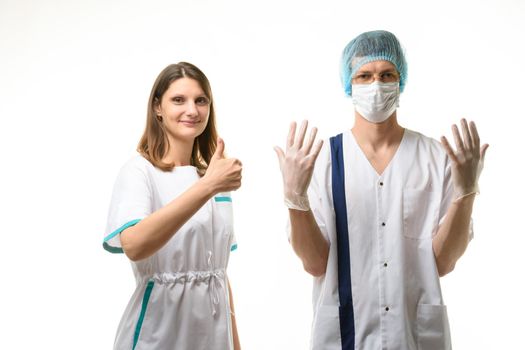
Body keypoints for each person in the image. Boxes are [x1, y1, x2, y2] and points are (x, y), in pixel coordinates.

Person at [274, 30, 488, 350]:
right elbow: (315, 263)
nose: (376, 84)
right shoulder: (324, 162)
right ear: (349, 83)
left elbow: (443, 263)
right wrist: (295, 198)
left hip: (413, 336)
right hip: (345, 336)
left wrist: (466, 191)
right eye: (364, 76)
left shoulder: (435, 158)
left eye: (387, 74)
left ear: (401, 82)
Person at [102, 62, 242, 350]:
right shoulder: (140, 172)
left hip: (213, 337)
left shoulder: (212, 175)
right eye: (178, 100)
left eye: (200, 100)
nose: (192, 110)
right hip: (158, 333)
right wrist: (207, 187)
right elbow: (135, 245)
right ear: (158, 108)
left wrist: (235, 345)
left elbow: (217, 273)